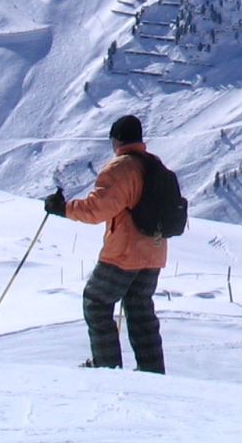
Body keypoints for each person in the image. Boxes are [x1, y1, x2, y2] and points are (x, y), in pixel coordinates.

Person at [45, 114, 168, 373]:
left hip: (124, 253)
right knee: (140, 310)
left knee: (96, 301)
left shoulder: (120, 167)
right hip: (154, 252)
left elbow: (97, 209)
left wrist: (62, 209)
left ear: (117, 139)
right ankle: (152, 371)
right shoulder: (154, 163)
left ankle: (106, 367)